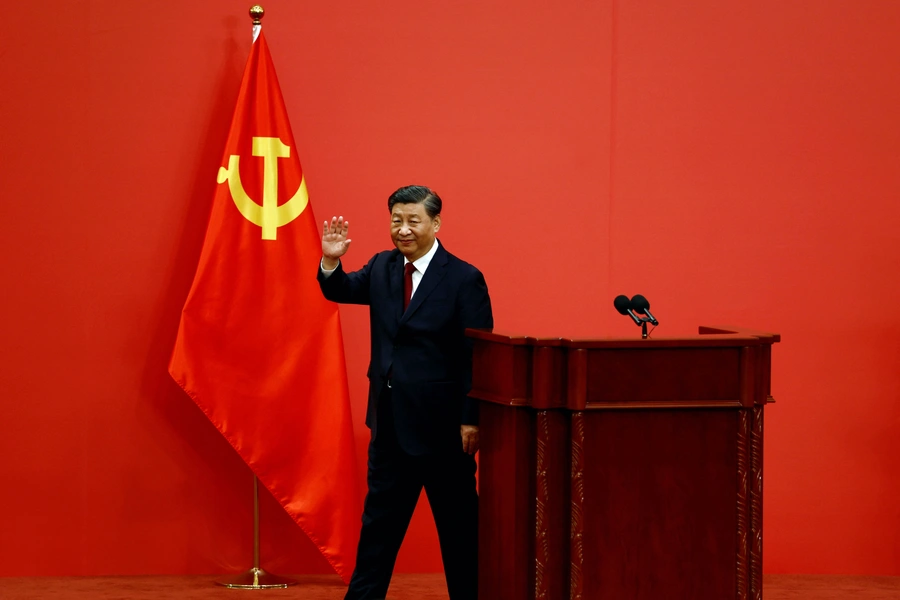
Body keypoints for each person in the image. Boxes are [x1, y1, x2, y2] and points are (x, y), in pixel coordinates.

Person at [317, 185, 493, 600]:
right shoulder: (382, 266)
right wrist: (330, 259)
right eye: (397, 220)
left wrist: (472, 417)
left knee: (460, 534)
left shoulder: (464, 278)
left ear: (436, 222)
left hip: (444, 432)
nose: (403, 229)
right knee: (377, 532)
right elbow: (338, 288)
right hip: (390, 426)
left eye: (413, 220)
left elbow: (478, 355)